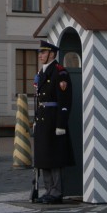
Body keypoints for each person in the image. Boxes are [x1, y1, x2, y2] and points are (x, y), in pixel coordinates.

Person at [33, 41, 74, 204]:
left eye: (43, 53)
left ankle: (56, 192)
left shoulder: (60, 73)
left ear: (52, 54)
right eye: (40, 53)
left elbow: (64, 101)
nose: (40, 55)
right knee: (44, 158)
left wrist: (61, 125)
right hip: (43, 119)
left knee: (55, 158)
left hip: (54, 121)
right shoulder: (42, 73)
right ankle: (48, 189)